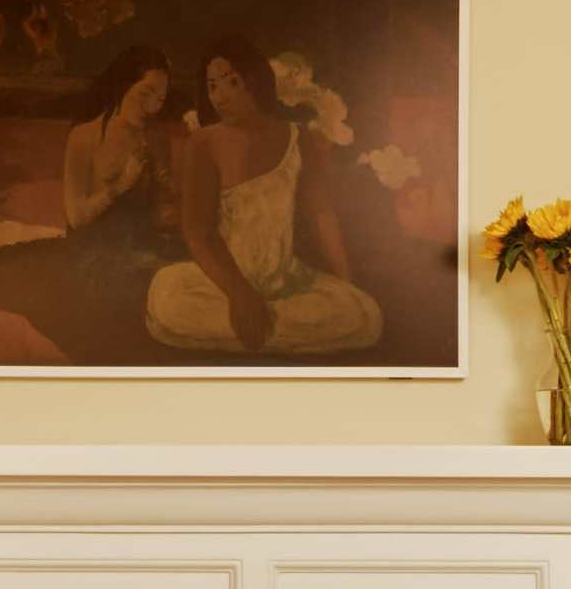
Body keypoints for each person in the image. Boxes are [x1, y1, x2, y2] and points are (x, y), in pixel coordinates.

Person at [144, 35, 381, 356]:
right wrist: (240, 295)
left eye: (231, 82)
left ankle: (266, 325)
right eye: (212, 86)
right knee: (170, 305)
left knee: (361, 313)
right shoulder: (204, 143)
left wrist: (346, 281)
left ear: (255, 81)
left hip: (284, 286)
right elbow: (198, 232)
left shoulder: (299, 140)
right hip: (222, 284)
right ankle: (262, 325)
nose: (220, 96)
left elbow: (322, 212)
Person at [58, 45, 184, 337]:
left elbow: (162, 213)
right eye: (145, 93)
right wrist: (120, 187)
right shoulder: (85, 136)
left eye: (161, 98)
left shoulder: (157, 138)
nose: (154, 106)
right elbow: (76, 217)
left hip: (143, 244)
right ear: (124, 85)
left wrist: (171, 197)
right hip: (95, 254)